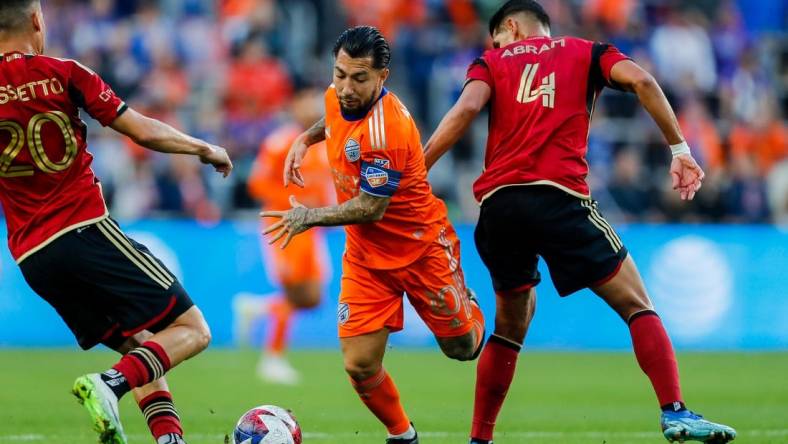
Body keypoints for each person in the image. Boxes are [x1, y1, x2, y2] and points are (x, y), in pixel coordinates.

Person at [422, 1, 737, 443]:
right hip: (560, 198)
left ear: (510, 27)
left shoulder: (489, 62)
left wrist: (417, 170)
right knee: (637, 303)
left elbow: (464, 110)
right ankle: (675, 412)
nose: (497, 45)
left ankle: (480, 439)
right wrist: (680, 149)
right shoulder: (588, 51)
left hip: (498, 207)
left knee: (510, 326)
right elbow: (643, 80)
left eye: (498, 37)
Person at [0, 2, 233, 444]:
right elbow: (141, 130)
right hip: (83, 230)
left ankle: (169, 439)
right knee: (191, 330)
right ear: (36, 21)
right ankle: (107, 385)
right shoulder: (63, 72)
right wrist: (203, 148)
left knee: (143, 345)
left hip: (32, 258)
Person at [262, 26, 485, 444]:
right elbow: (330, 117)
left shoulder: (388, 130)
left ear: (383, 76)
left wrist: (308, 217)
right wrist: (304, 139)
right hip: (367, 257)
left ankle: (468, 305)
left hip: (420, 249)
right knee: (360, 363)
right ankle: (402, 435)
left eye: (359, 78)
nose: (345, 87)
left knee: (462, 349)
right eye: (340, 74)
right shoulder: (335, 95)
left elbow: (370, 207)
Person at [240, 88, 334, 384]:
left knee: (313, 297)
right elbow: (256, 184)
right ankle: (273, 358)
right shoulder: (281, 142)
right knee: (296, 293)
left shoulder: (325, 144)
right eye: (306, 100)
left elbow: (324, 188)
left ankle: (256, 308)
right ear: (294, 105)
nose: (312, 106)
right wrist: (291, 203)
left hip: (311, 228)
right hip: (286, 225)